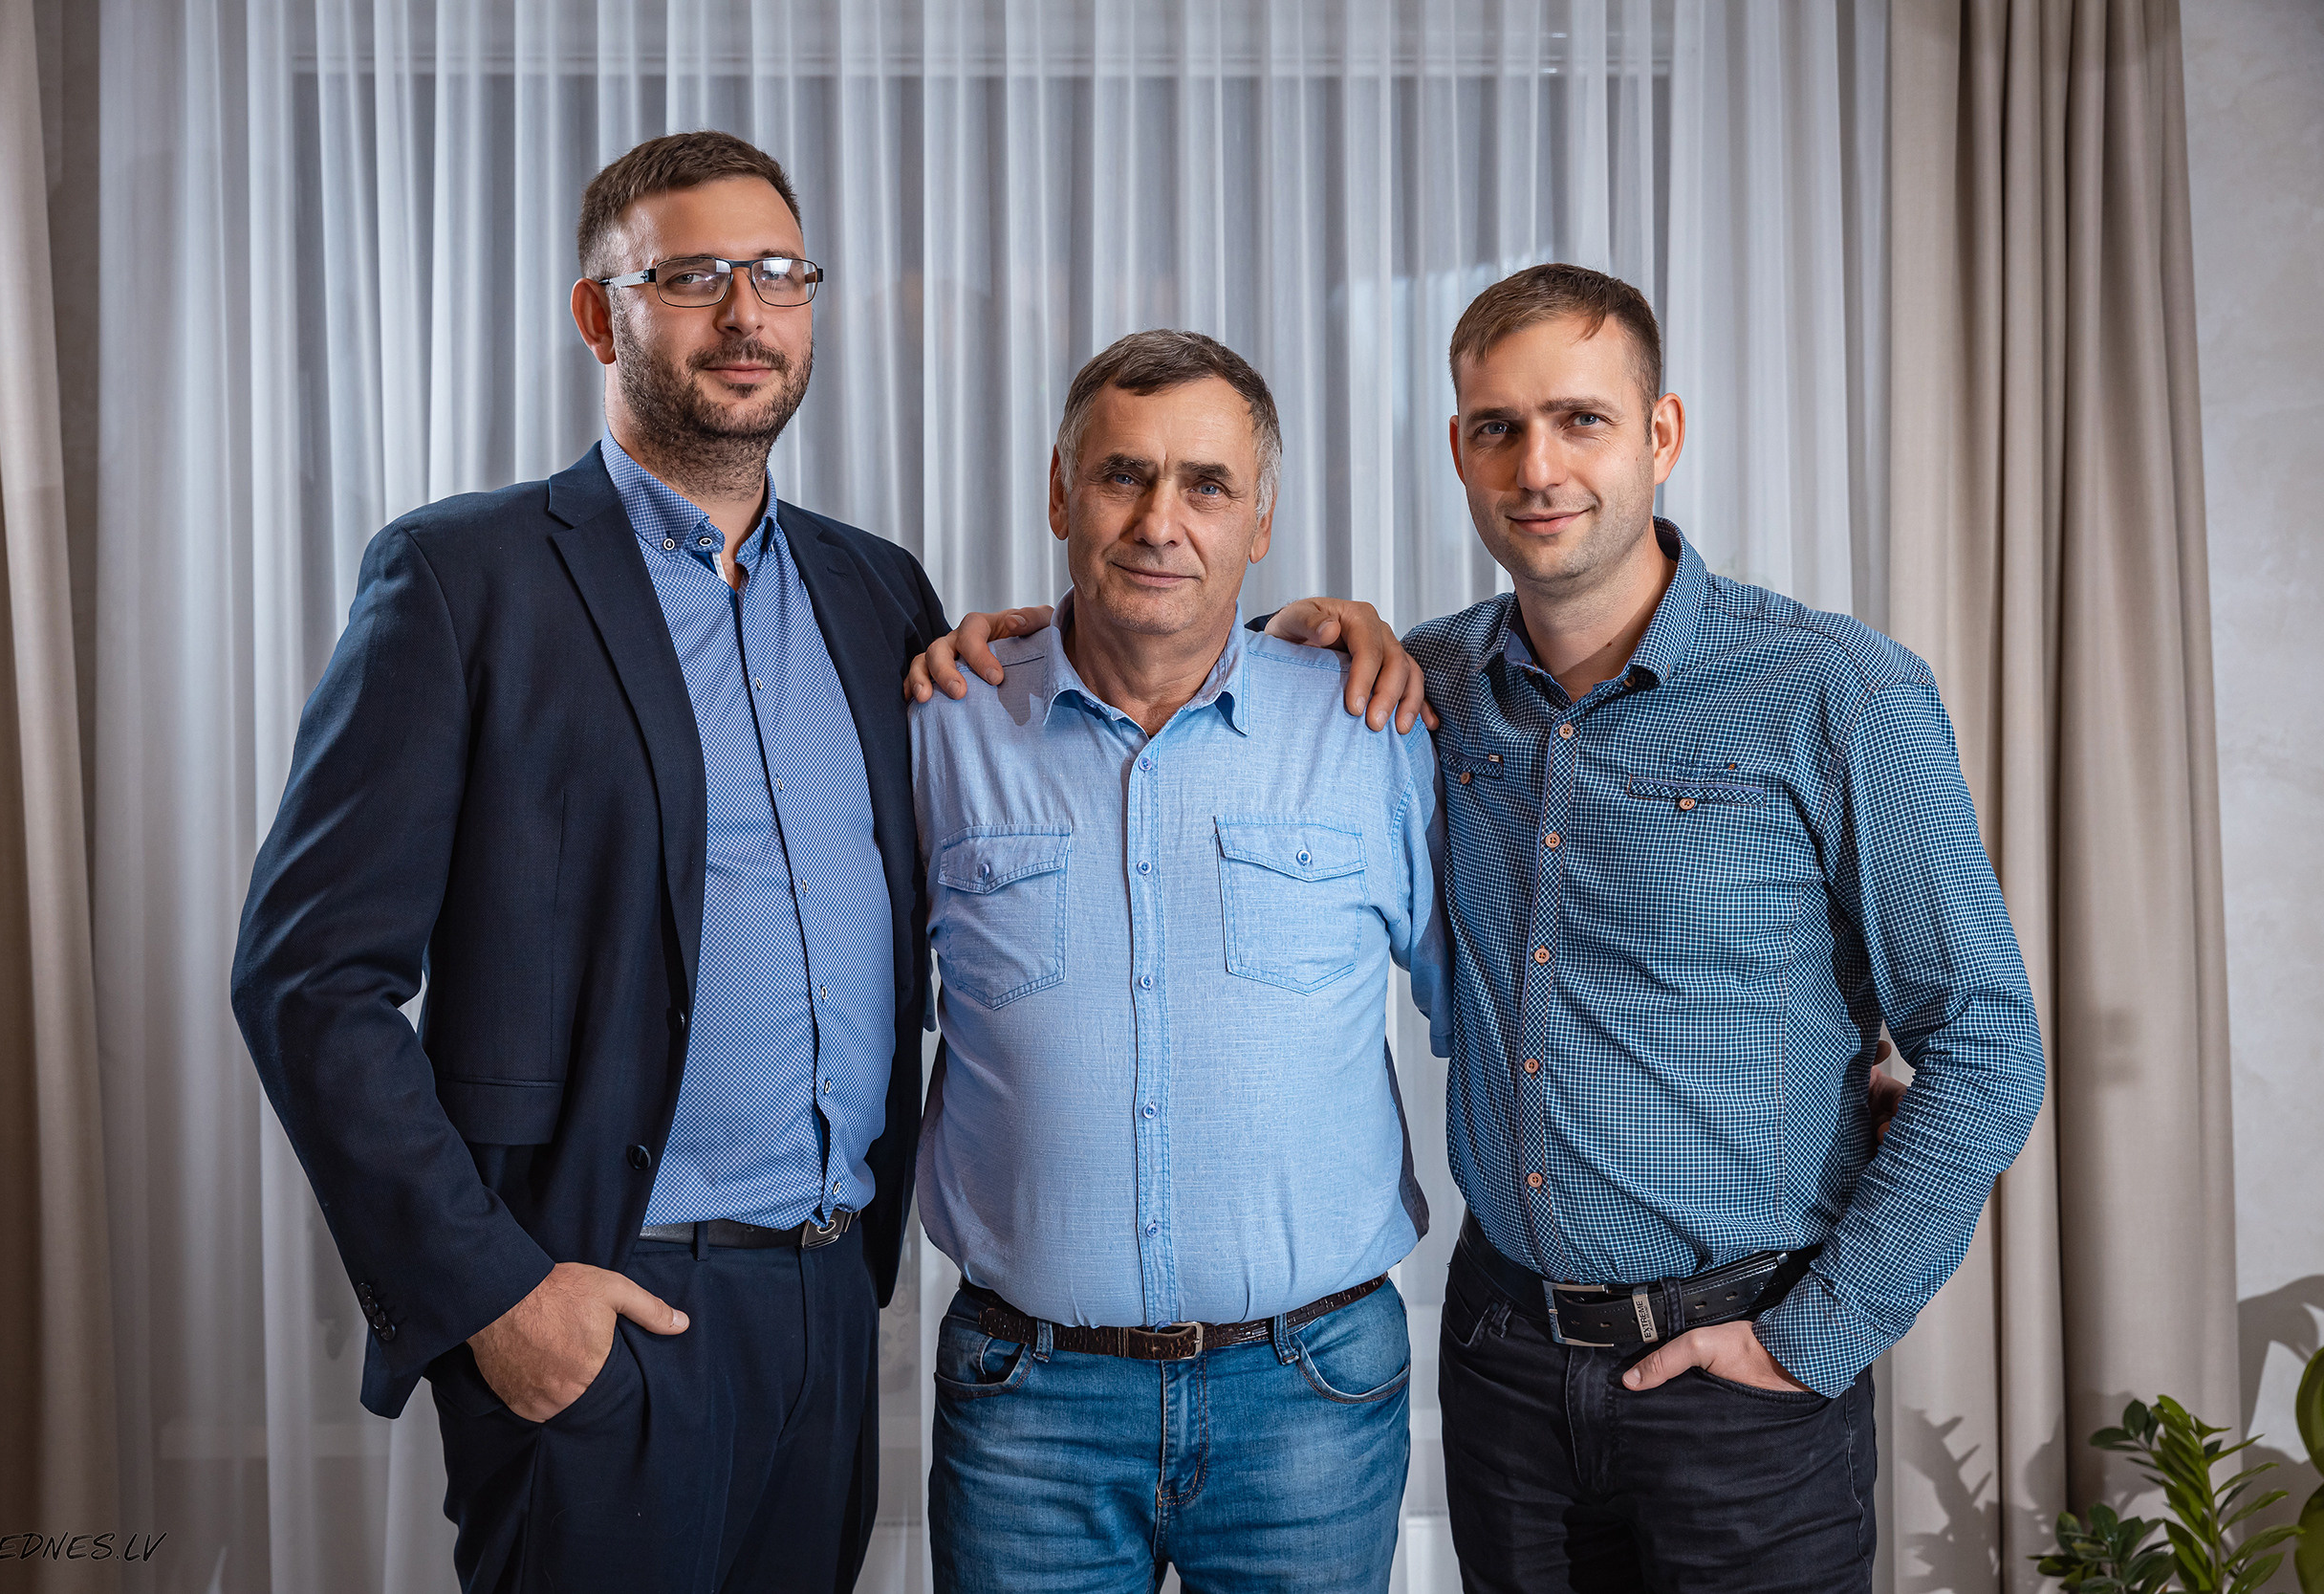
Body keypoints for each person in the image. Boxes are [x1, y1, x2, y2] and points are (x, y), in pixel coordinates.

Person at [231, 131, 1420, 1594]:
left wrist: (1320, 630)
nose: (747, 312)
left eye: (780, 274)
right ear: (602, 315)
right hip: (607, 1295)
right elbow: (305, 979)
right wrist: (492, 1293)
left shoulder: (877, 597)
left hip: (822, 1303)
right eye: (695, 275)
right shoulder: (466, 580)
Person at [910, 263, 2044, 1592]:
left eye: (1582, 420)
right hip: (1504, 1370)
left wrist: (1821, 1331)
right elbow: (1202, 656)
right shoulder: (1411, 688)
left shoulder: (1831, 688)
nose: (1539, 465)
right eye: (1499, 428)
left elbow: (1985, 1039)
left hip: (1741, 1372)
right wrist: (1178, 635)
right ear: (1458, 449)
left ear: (1661, 435)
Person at [910, 329, 1446, 1594]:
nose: (1162, 521)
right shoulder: (943, 729)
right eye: (1121, 477)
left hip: (1309, 1394)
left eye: (1207, 485)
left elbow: (1494, 1012)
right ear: (1059, 492)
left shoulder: (1373, 727)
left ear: (1259, 521)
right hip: (1026, 1402)